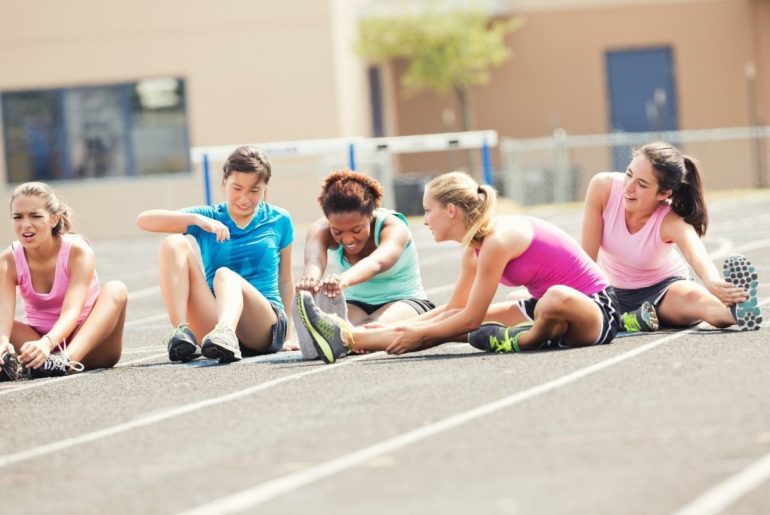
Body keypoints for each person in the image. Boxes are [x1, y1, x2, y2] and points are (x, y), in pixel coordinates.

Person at [295, 171, 620, 362]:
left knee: (553, 299)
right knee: (445, 324)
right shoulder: (474, 248)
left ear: (451, 211)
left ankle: (524, 339)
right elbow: (456, 308)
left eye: (428, 211)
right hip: (541, 310)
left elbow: (471, 318)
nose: (425, 222)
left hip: (594, 309)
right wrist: (395, 330)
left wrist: (418, 335)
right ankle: (346, 338)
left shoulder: (497, 240)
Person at [581, 141, 762, 332]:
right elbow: (586, 259)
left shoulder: (670, 220)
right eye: (629, 174)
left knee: (695, 300)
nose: (628, 188)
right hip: (612, 292)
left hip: (663, 290)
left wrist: (713, 282)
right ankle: (627, 319)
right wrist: (588, 298)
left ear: (664, 193)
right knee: (579, 316)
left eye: (642, 184)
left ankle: (738, 311)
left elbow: (696, 254)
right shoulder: (602, 188)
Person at [136, 146, 294, 363]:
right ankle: (181, 333)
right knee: (173, 242)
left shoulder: (279, 220)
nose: (244, 198)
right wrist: (195, 220)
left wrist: (290, 334)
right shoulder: (210, 216)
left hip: (263, 326)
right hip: (214, 326)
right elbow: (143, 220)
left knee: (224, 275)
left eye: (254, 190)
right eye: (237, 188)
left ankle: (226, 332)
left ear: (265, 187)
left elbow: (285, 280)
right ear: (225, 181)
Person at [294, 169, 434, 362]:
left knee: (368, 329)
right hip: (355, 303)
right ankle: (327, 337)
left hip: (405, 301)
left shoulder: (393, 227)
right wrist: (309, 279)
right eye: (338, 231)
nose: (348, 238)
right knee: (339, 329)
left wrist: (343, 279)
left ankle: (353, 339)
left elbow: (377, 262)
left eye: (356, 229)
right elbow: (314, 260)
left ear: (370, 215)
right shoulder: (321, 229)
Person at [0, 182, 127, 381]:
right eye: (18, 217)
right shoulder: (9, 260)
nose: (25, 225)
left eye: (35, 216)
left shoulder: (77, 251)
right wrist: (3, 345)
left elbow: (72, 312)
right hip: (39, 346)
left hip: (89, 347)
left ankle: (65, 361)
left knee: (116, 289)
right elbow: (4, 319)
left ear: (54, 219)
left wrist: (47, 344)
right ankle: (19, 365)